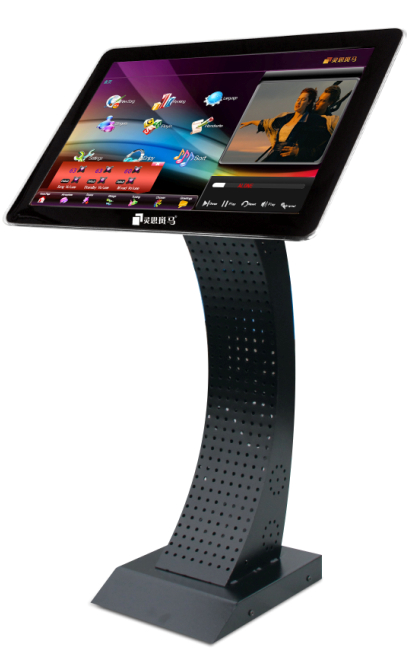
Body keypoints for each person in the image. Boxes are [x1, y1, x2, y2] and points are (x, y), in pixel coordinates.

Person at [240, 88, 329, 163]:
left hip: (292, 161)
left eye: (303, 100)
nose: (298, 102)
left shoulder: (316, 121)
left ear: (309, 102)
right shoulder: (287, 118)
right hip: (274, 157)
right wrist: (252, 122)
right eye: (298, 99)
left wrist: (298, 151)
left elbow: (320, 148)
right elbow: (268, 123)